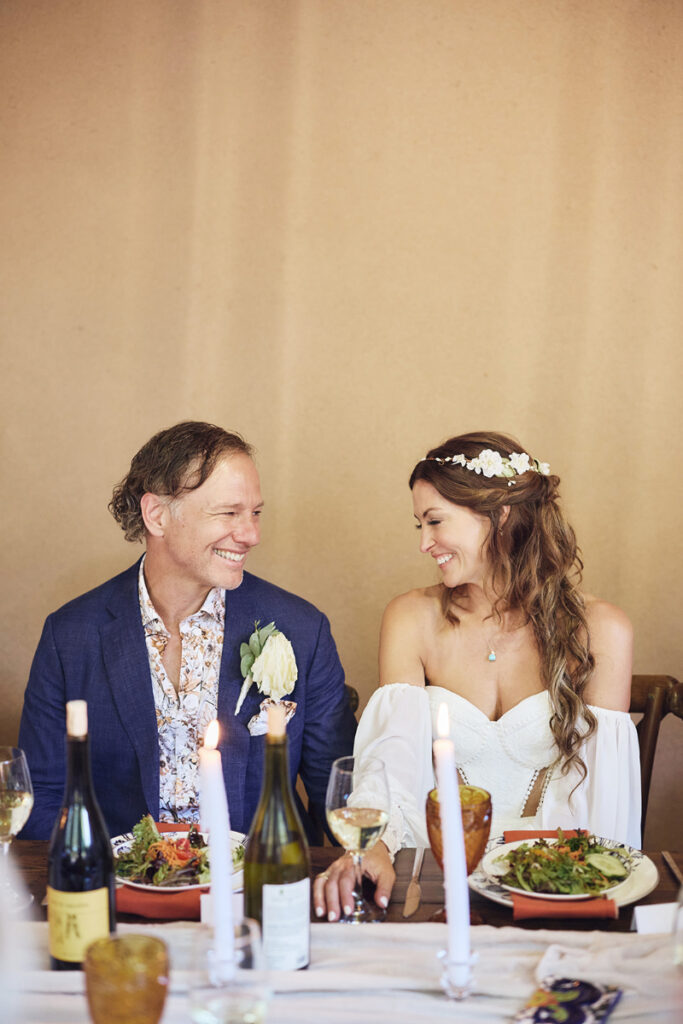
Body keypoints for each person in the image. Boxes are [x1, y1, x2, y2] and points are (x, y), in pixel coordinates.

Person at [314, 431, 639, 920]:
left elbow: (603, 805)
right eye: (419, 524)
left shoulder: (602, 630)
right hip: (431, 884)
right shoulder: (410, 617)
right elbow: (389, 760)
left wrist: (552, 888)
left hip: (558, 885)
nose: (424, 543)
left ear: (500, 515)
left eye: (435, 521)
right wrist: (373, 845)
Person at [19, 421, 356, 840]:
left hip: (258, 887)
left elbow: (341, 797)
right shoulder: (70, 636)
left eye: (255, 513)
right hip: (120, 891)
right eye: (229, 513)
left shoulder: (303, 629)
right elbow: (41, 799)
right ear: (157, 515)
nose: (251, 534)